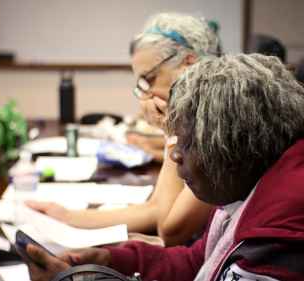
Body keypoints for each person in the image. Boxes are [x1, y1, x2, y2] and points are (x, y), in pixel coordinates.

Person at [18, 53, 304, 281]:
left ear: (234, 147)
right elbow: (200, 260)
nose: (173, 156)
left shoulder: (280, 245)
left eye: (185, 143)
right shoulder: (255, 182)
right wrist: (111, 260)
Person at [26, 12, 219, 247]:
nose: (145, 97)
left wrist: (171, 131)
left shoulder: (220, 127)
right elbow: (155, 207)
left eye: (149, 79)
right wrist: (68, 217)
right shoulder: (197, 122)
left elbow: (169, 230)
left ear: (189, 62)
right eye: (141, 87)